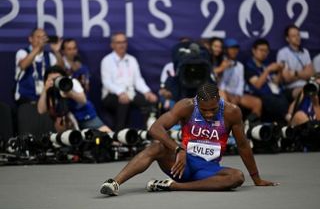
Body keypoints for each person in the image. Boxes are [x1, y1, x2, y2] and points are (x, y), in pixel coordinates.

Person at [99, 83, 278, 196]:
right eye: (204, 110)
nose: (208, 114)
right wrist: (179, 149)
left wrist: (256, 178)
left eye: (213, 109)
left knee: (236, 177)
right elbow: (155, 128)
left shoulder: (232, 112)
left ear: (219, 100)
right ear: (197, 102)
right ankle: (114, 182)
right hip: (180, 165)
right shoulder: (186, 106)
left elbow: (243, 145)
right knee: (156, 146)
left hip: (207, 171)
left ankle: (172, 187)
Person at [101, 32, 158, 131]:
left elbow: (138, 80)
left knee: (149, 101)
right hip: (111, 95)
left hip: (130, 93)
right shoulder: (107, 60)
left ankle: (149, 132)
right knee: (123, 102)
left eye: (124, 42)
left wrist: (147, 92)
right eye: (118, 42)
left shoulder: (132, 60)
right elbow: (107, 82)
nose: (122, 45)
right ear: (112, 45)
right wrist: (120, 93)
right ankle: (119, 135)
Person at [37, 65, 111, 133]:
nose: (56, 81)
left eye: (58, 78)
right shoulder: (49, 89)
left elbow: (83, 100)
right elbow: (41, 110)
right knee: (59, 122)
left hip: (85, 115)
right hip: (67, 120)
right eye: (53, 79)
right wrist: (45, 90)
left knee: (107, 135)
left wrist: (70, 93)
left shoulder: (72, 82)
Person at [14, 28, 63, 105]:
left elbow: (61, 69)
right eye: (38, 37)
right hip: (25, 99)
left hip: (44, 99)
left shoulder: (49, 56)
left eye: (43, 37)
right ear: (30, 39)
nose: (41, 40)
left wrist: (56, 52)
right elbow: (23, 65)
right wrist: (38, 47)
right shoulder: (23, 52)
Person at [245, 39, 288, 122]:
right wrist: (268, 70)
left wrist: (280, 71)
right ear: (254, 51)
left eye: (266, 51)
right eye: (261, 50)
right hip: (260, 94)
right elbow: (257, 85)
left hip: (275, 92)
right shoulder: (249, 66)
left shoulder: (267, 63)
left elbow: (276, 82)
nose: (264, 53)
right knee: (274, 101)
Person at [218, 38, 262, 119]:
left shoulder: (240, 66)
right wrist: (229, 94)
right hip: (224, 93)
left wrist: (238, 95)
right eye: (231, 48)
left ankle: (250, 125)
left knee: (257, 102)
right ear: (225, 50)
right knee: (224, 99)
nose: (234, 51)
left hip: (237, 94)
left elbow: (241, 82)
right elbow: (221, 83)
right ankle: (227, 127)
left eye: (236, 48)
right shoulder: (221, 63)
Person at [276, 24, 314, 102]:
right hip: (290, 88)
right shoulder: (283, 53)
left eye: (298, 35)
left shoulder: (305, 52)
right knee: (305, 92)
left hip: (306, 84)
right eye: (293, 36)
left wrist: (295, 73)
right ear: (287, 39)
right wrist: (304, 73)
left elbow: (310, 74)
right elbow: (286, 77)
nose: (297, 38)